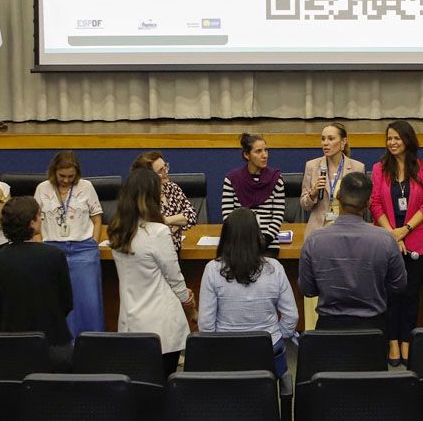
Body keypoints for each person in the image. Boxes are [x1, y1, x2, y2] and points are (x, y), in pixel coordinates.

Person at [109, 168, 197, 378]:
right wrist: (189, 303)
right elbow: (174, 278)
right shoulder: (158, 232)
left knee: (140, 383)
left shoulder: (116, 230)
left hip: (131, 321)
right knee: (164, 384)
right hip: (162, 326)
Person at [300, 172, 407, 336]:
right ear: (369, 202)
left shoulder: (314, 240)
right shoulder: (386, 240)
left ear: (337, 196)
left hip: (328, 330)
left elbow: (307, 289)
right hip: (373, 331)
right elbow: (398, 285)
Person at [200, 207, 298, 378]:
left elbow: (206, 325)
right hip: (269, 350)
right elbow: (292, 317)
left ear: (225, 236)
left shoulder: (212, 270)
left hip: (226, 353)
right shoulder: (274, 268)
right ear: (257, 236)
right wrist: (276, 334)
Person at [370, 120, 423, 366]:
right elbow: (374, 203)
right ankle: (392, 342)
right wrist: (392, 234)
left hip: (416, 240)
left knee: (410, 295)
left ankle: (407, 341)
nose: (393, 143)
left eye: (397, 138)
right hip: (387, 240)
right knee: (389, 295)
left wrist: (405, 230)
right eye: (389, 138)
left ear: (408, 140)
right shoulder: (379, 168)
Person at [0, 197, 74, 368]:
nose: (41, 219)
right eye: (39, 216)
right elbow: (66, 301)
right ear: (32, 223)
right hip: (54, 341)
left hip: (13, 343)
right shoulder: (54, 255)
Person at [298, 122, 365, 327]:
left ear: (343, 142)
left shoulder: (357, 167)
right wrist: (311, 193)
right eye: (323, 139)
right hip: (318, 232)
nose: (325, 143)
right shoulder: (312, 166)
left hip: (346, 234)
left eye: (331, 138)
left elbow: (361, 204)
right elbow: (304, 204)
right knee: (318, 284)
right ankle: (314, 329)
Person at [33, 150, 105, 337]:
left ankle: (92, 343)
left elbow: (97, 218)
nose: (66, 180)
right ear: (54, 171)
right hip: (52, 249)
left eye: (71, 177)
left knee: (89, 301)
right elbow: (36, 222)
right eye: (62, 176)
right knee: (57, 301)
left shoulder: (86, 186)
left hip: (83, 249)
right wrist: (39, 247)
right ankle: (62, 346)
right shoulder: (42, 188)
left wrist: (94, 244)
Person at [221, 133, 286, 258]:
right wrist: (245, 241)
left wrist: (264, 241)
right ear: (247, 155)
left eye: (266, 150)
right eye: (258, 151)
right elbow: (228, 216)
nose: (264, 155)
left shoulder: (276, 178)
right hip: (240, 242)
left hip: (268, 243)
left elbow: (278, 215)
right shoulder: (232, 179)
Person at [131, 151, 198, 253]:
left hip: (175, 250)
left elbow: (192, 216)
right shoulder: (142, 198)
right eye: (160, 171)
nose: (165, 172)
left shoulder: (172, 188)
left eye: (165, 167)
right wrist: (177, 223)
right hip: (152, 254)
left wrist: (165, 220)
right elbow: (148, 231)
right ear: (148, 176)